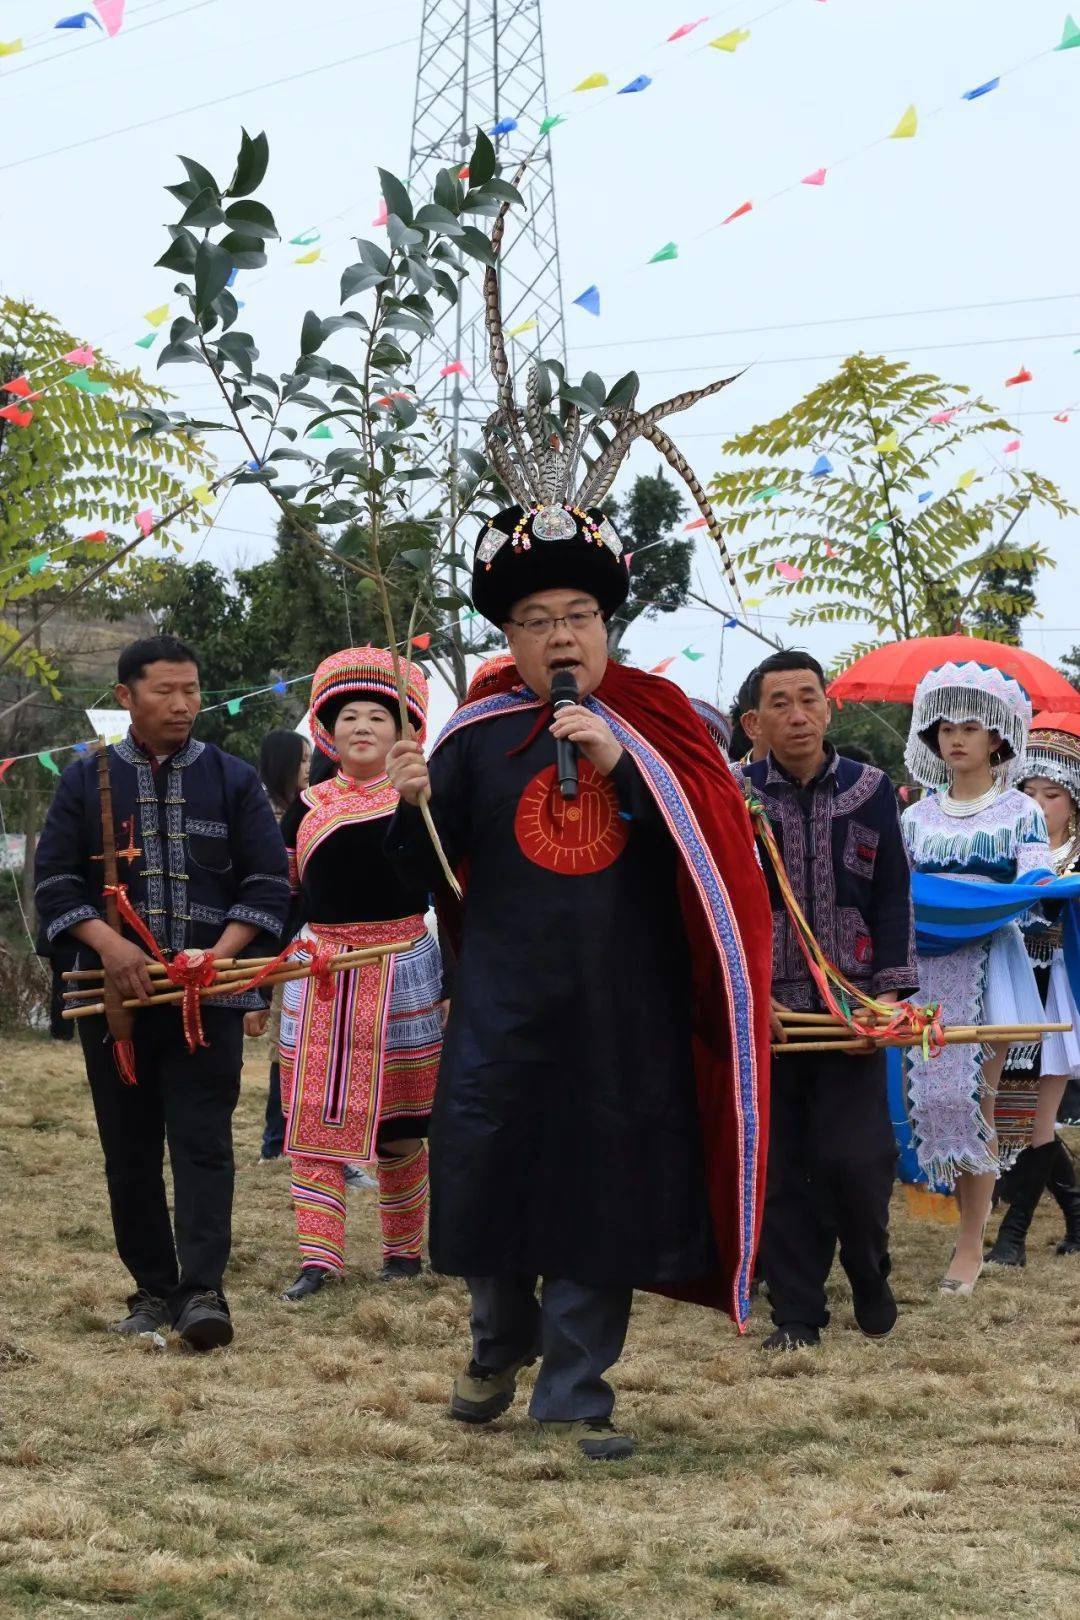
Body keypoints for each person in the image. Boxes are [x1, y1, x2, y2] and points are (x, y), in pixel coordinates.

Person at [384, 335, 771, 1459]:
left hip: (624, 1018)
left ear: (609, 628)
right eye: (538, 622)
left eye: (579, 619)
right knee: (498, 1189)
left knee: (606, 1204)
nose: (562, 637)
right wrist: (403, 805)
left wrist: (623, 768)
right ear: (507, 639)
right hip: (504, 1010)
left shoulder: (662, 734)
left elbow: (709, 866)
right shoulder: (470, 737)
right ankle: (496, 1344)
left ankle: (577, 1398)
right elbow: (418, 884)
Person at [33, 635, 290, 1350]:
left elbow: (268, 883)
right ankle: (151, 1289)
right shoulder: (83, 782)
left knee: (204, 1143)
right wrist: (109, 944)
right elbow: (53, 880)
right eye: (164, 692)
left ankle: (203, 1290)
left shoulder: (234, 781)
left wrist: (222, 955)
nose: (182, 705)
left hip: (208, 999)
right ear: (125, 699)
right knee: (130, 1147)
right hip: (111, 1001)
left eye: (192, 691)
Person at [741, 650, 917, 1350]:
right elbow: (722, 906)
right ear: (755, 721)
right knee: (783, 1170)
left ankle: (869, 1269)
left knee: (856, 1160)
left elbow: (893, 896)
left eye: (808, 699)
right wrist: (751, 1000)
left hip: (854, 1010)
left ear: (828, 707)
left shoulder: (873, 788)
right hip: (773, 1018)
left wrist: (890, 996)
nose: (796, 715)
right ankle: (796, 1317)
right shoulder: (734, 794)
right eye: (779, 703)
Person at [276, 647, 444, 1299]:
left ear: (404, 732)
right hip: (321, 971)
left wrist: (415, 801)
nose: (363, 726)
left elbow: (439, 882)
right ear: (327, 730)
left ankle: (403, 1253)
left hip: (402, 967)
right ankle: (319, 1259)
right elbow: (287, 889)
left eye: (379, 715)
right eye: (349, 716)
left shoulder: (422, 801)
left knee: (402, 1124)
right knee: (314, 1119)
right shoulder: (308, 802)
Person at [900, 661, 1049, 1295]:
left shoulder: (1021, 812)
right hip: (924, 962)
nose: (956, 738)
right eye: (945, 728)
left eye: (971, 726)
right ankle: (958, 1220)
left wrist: (1004, 896)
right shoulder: (913, 817)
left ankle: (969, 1245)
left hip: (990, 958)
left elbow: (1037, 886)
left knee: (977, 1101)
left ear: (997, 738)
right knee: (930, 1096)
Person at [985, 714, 1080, 1263]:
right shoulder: (1008, 854)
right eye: (1029, 792)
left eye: (1052, 794)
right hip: (1015, 986)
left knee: (1038, 1115)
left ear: (1073, 800)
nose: (1040, 804)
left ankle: (1012, 1237)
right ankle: (1074, 1211)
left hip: (1061, 993)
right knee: (1017, 1112)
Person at [248, 728, 310, 1164]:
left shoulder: (307, 809)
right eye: (302, 761)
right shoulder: (266, 817)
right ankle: (276, 1140)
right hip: (281, 940)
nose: (309, 768)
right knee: (285, 1044)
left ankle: (284, 1140)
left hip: (305, 936)